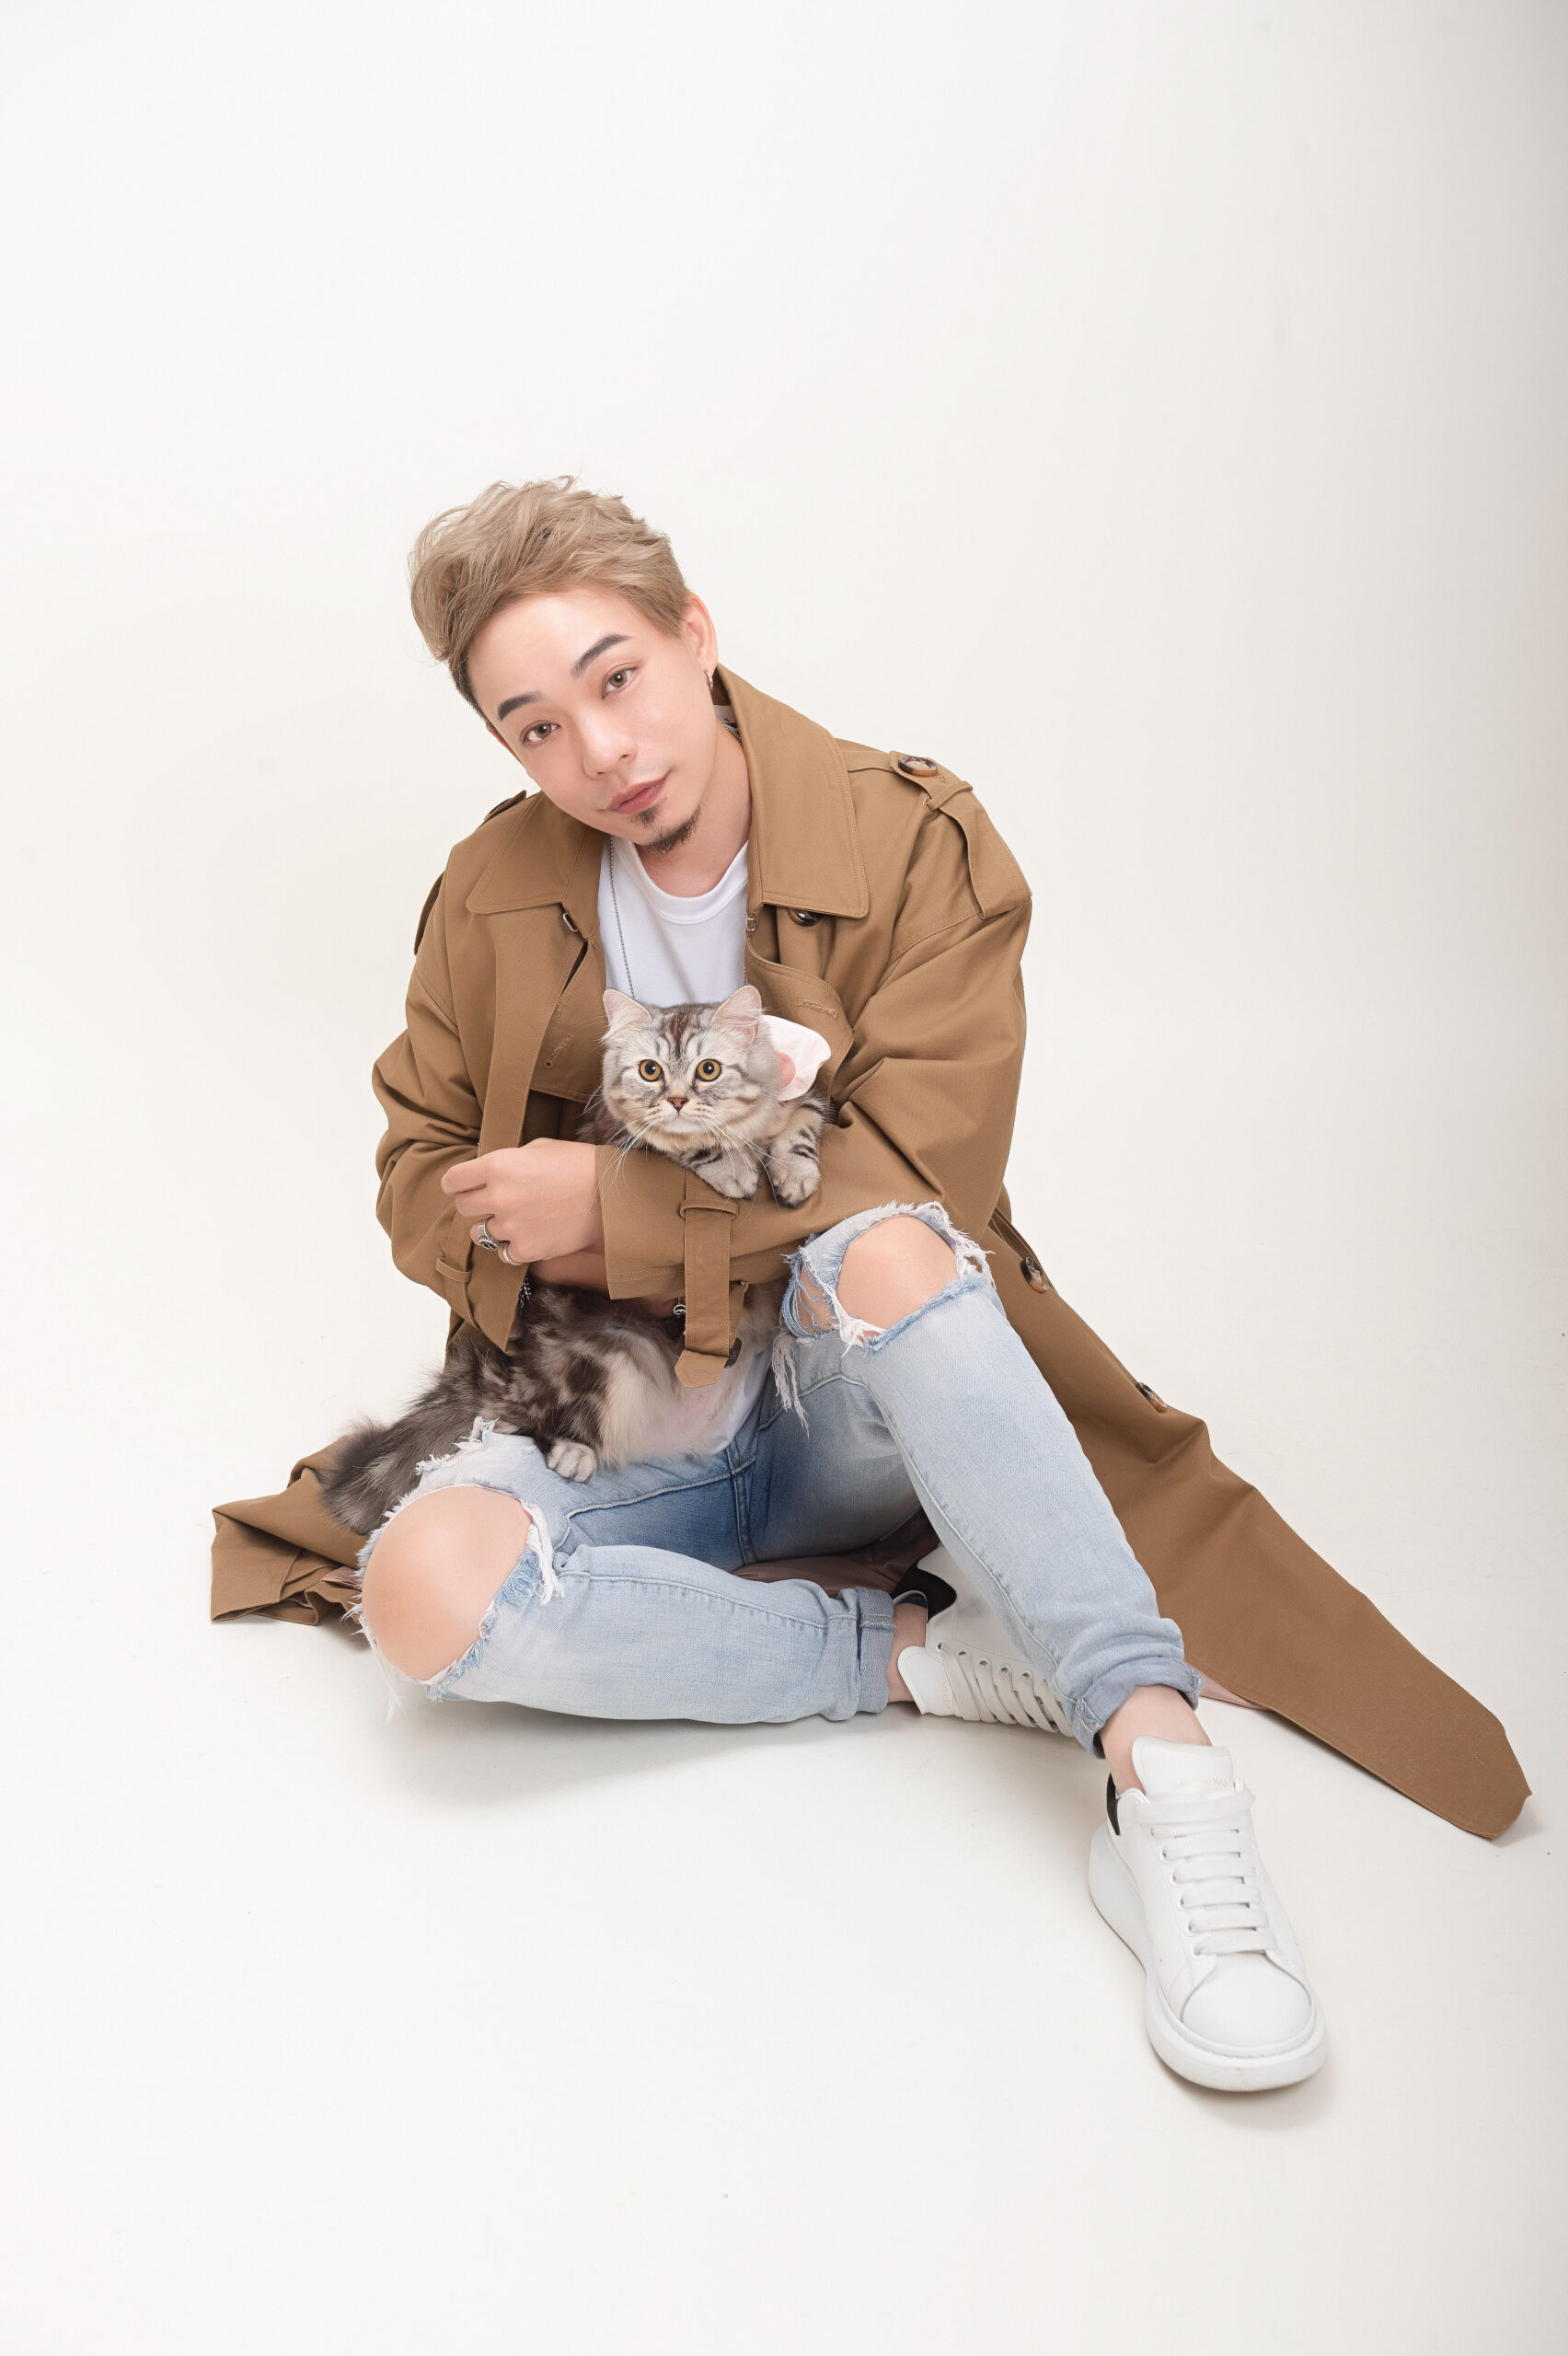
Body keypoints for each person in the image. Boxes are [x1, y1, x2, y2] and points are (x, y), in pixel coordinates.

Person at [349, 474, 1332, 2093]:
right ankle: (903, 1657)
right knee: (419, 1594)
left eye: (618, 677)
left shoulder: (916, 836)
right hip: (620, 1414)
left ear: (695, 632)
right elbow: (417, 1166)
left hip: (845, 1403)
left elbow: (917, 1167)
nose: (602, 752)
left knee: (884, 1243)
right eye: (537, 728)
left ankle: (1158, 1764)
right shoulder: (492, 888)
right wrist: (534, 1233)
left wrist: (618, 1208)